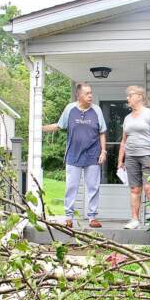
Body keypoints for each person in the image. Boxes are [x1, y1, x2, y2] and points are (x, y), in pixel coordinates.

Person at [42, 82, 107, 228]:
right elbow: (59, 126)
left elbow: (102, 132)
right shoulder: (70, 109)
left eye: (91, 93)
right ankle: (68, 217)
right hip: (73, 155)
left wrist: (103, 151)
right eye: (87, 93)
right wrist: (39, 128)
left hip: (92, 155)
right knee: (71, 187)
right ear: (79, 95)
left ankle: (92, 217)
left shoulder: (96, 110)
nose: (90, 96)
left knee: (93, 187)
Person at [117, 85, 150, 230]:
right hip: (131, 157)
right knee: (135, 190)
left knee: (149, 188)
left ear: (139, 96)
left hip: (147, 156)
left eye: (130, 95)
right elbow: (123, 141)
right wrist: (120, 161)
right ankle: (134, 220)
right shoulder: (127, 118)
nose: (127, 98)